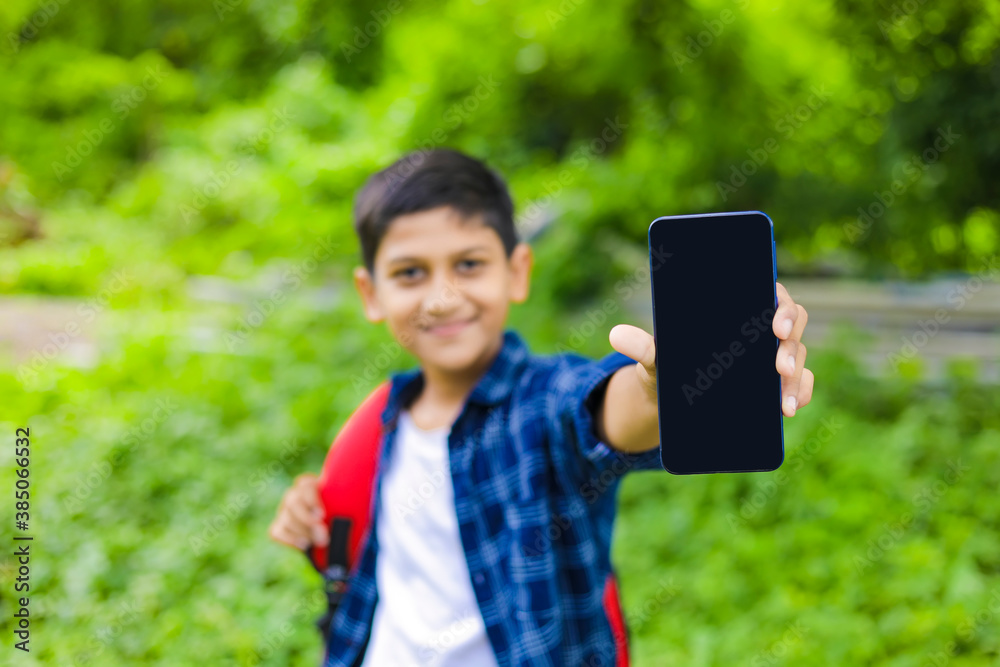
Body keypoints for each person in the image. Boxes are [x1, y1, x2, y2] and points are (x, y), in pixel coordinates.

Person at [268, 148, 814, 666]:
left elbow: (599, 410)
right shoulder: (383, 419)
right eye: (411, 272)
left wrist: (661, 385)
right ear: (370, 293)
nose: (442, 297)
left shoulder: (540, 400)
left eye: (469, 264)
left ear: (517, 271)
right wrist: (312, 521)